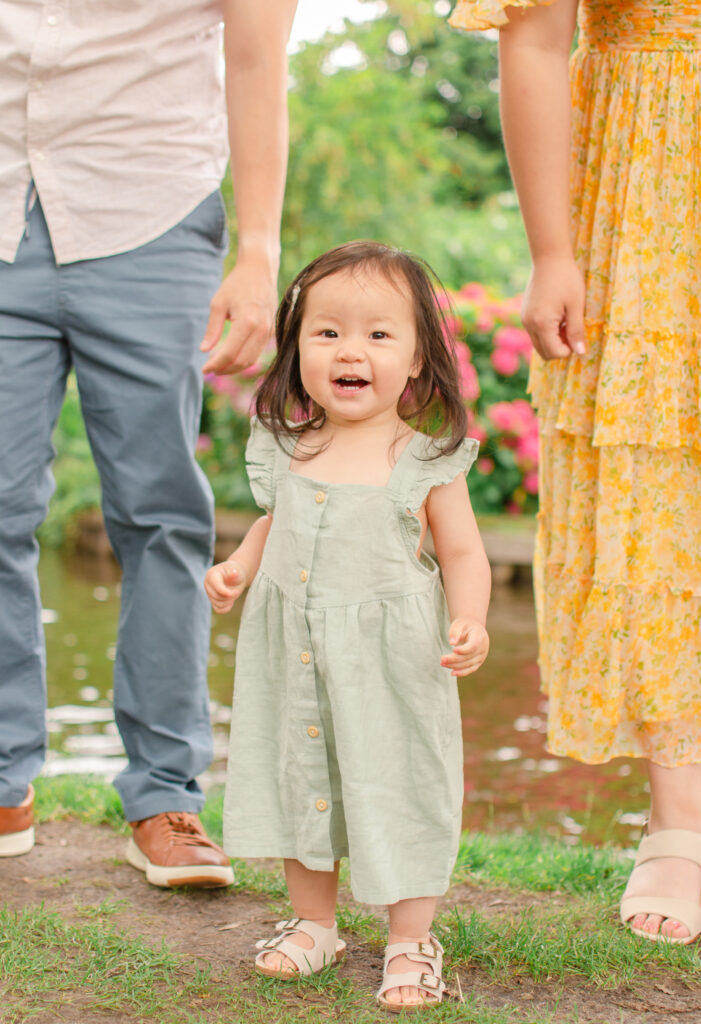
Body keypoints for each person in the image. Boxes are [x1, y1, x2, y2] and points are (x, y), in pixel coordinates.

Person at [0, 0, 297, 887]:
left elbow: (254, 64)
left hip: (149, 215)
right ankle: (5, 781)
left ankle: (165, 796)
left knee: (160, 511)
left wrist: (258, 252)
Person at [449, 0, 701, 943]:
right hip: (652, 170)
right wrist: (551, 250)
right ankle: (681, 819)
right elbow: (537, 33)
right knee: (655, 490)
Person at [204, 240, 491, 1010]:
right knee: (302, 783)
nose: (348, 350)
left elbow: (463, 552)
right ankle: (313, 923)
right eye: (326, 332)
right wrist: (238, 567)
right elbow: (274, 526)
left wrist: (470, 618)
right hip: (292, 657)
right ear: (295, 349)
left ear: (419, 362)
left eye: (376, 334)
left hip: (389, 666)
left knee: (397, 783)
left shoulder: (422, 458)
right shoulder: (291, 447)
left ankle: (409, 938)